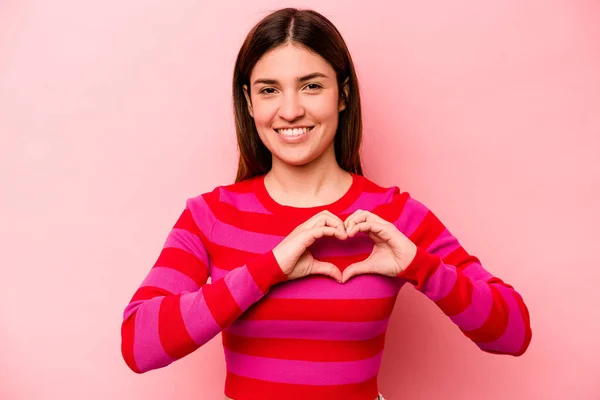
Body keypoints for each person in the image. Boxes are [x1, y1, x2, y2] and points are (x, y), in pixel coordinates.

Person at [120, 7, 532, 400]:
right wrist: (268, 269)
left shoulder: (395, 216)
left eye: (312, 85)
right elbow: (139, 346)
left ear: (343, 94)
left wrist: (421, 266)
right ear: (248, 103)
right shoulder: (210, 216)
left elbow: (512, 334)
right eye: (269, 90)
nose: (291, 110)